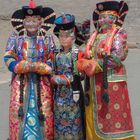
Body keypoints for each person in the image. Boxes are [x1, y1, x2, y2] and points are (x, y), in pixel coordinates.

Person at [77, 0, 136, 140]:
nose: (103, 19)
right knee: (95, 114)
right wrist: (82, 62)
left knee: (112, 117)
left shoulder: (119, 33)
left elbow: (117, 56)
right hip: (93, 83)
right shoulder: (94, 35)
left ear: (115, 17)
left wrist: (94, 66)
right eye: (101, 16)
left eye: (107, 16)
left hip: (111, 83)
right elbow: (87, 52)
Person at [4, 0, 56, 139]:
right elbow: (8, 56)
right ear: (23, 22)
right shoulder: (15, 38)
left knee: (44, 113)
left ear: (40, 22)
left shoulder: (47, 39)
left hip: (42, 84)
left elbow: (52, 58)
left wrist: (43, 67)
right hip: (21, 84)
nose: (31, 24)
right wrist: (20, 66)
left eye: (34, 21)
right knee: (19, 115)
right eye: (28, 21)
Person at [51, 14, 85, 140]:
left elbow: (81, 74)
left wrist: (66, 79)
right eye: (61, 36)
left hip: (73, 92)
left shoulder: (77, 53)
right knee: (59, 117)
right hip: (59, 93)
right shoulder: (55, 54)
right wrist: (53, 78)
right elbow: (52, 71)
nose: (64, 39)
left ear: (74, 37)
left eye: (67, 36)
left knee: (74, 118)